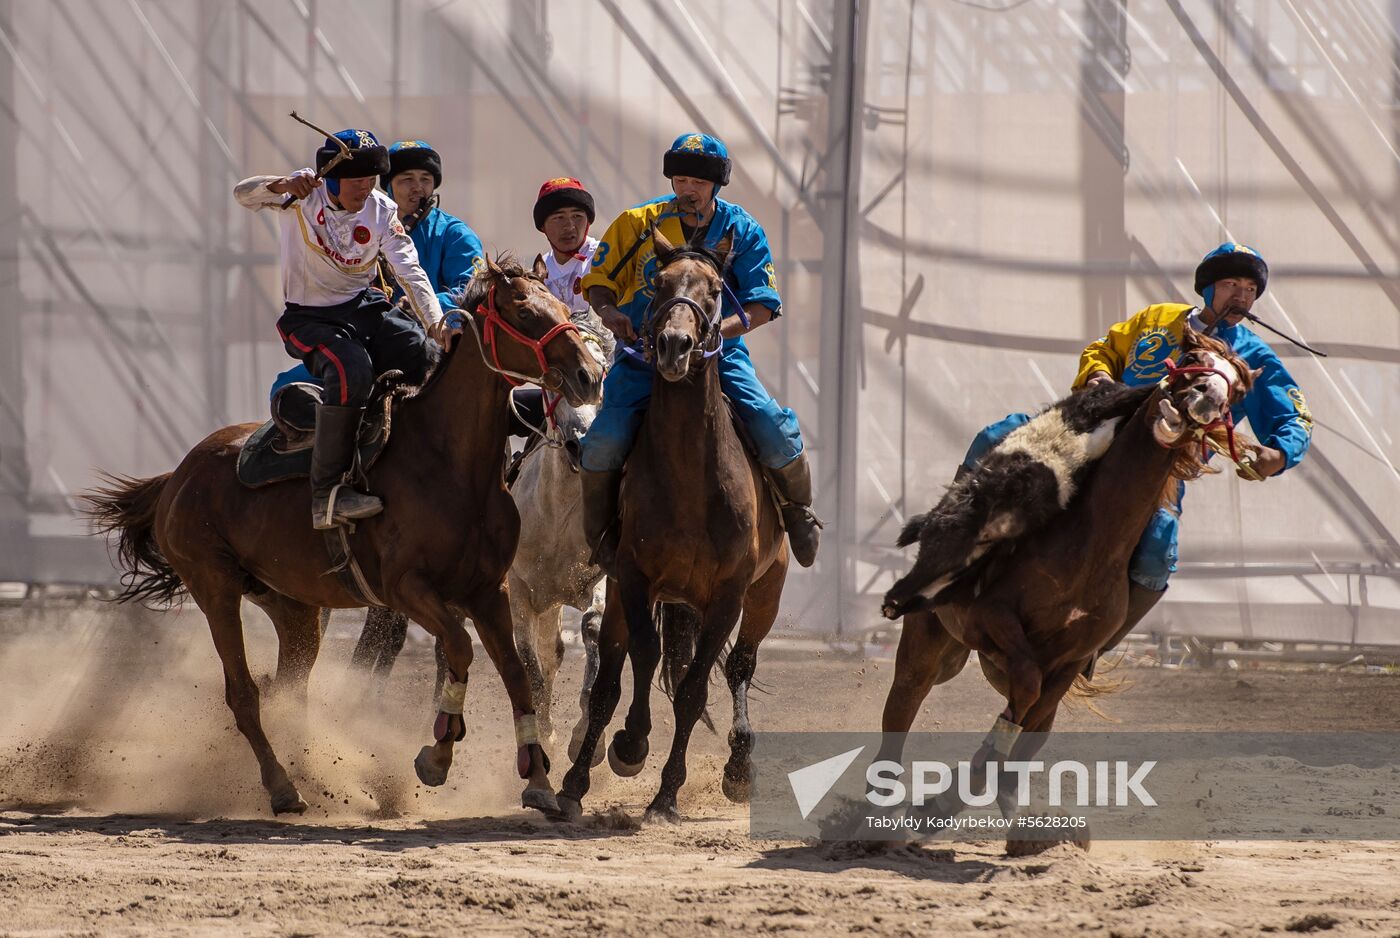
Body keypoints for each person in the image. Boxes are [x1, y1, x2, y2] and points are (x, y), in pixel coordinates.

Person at [963, 243, 1313, 670]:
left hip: (1161, 469)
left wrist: (1280, 453)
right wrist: (1098, 374)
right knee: (994, 437)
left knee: (1158, 550)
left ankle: (1089, 649)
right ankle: (948, 549)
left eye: (1250, 289)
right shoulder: (1157, 319)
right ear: (1207, 288)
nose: (1241, 296)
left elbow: (1294, 415)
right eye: (1231, 285)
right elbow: (1105, 348)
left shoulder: (1253, 356)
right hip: (1093, 428)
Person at [579, 132, 821, 571]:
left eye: (699, 182)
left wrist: (713, 335)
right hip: (643, 356)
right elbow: (598, 283)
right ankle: (600, 535)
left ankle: (797, 510)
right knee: (602, 441)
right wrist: (611, 314)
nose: (688, 189)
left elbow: (763, 304)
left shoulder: (742, 230)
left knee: (770, 425)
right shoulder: (637, 223)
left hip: (719, 355)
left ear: (716, 185)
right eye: (681, 180)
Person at [235, 129, 446, 529]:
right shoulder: (300, 195)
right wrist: (280, 184)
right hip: (309, 318)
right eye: (356, 180)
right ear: (331, 179)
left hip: (363, 307)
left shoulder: (382, 211)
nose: (365, 189)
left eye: (371, 179)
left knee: (421, 350)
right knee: (352, 369)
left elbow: (410, 269)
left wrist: (436, 323)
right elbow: (243, 194)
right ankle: (327, 494)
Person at [269, 138, 483, 398]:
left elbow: (469, 294)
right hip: (362, 331)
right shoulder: (370, 220)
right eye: (407, 179)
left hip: (427, 337)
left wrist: (421, 313)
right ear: (389, 186)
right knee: (286, 388)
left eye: (426, 179)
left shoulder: (455, 234)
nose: (418, 188)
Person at [508, 177, 613, 439]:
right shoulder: (537, 272)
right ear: (542, 226)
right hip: (558, 379)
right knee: (500, 410)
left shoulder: (605, 258)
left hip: (606, 373)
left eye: (578, 216)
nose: (569, 226)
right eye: (558, 218)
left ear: (588, 221)